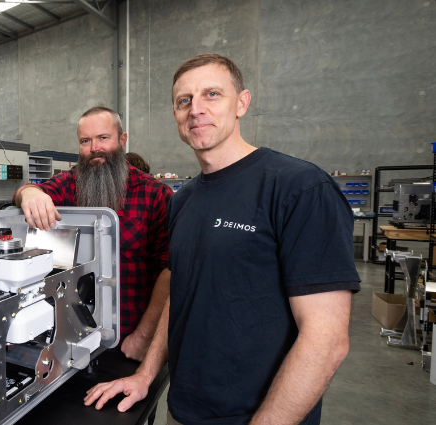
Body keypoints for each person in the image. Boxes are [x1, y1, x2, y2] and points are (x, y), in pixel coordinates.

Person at [84, 54, 360, 424]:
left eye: (212, 94)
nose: (196, 109)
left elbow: (326, 342)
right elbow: (181, 294)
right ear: (176, 115)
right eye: (185, 100)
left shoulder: (298, 187)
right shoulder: (183, 200)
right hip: (183, 410)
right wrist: (146, 374)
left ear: (242, 103)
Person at [14, 106, 172, 361]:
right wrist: (30, 193)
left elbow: (170, 271)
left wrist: (144, 336)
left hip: (130, 339)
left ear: (122, 140)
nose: (94, 148)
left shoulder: (155, 195)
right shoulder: (69, 184)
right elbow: (29, 190)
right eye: (85, 141)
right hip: (73, 338)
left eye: (103, 138)